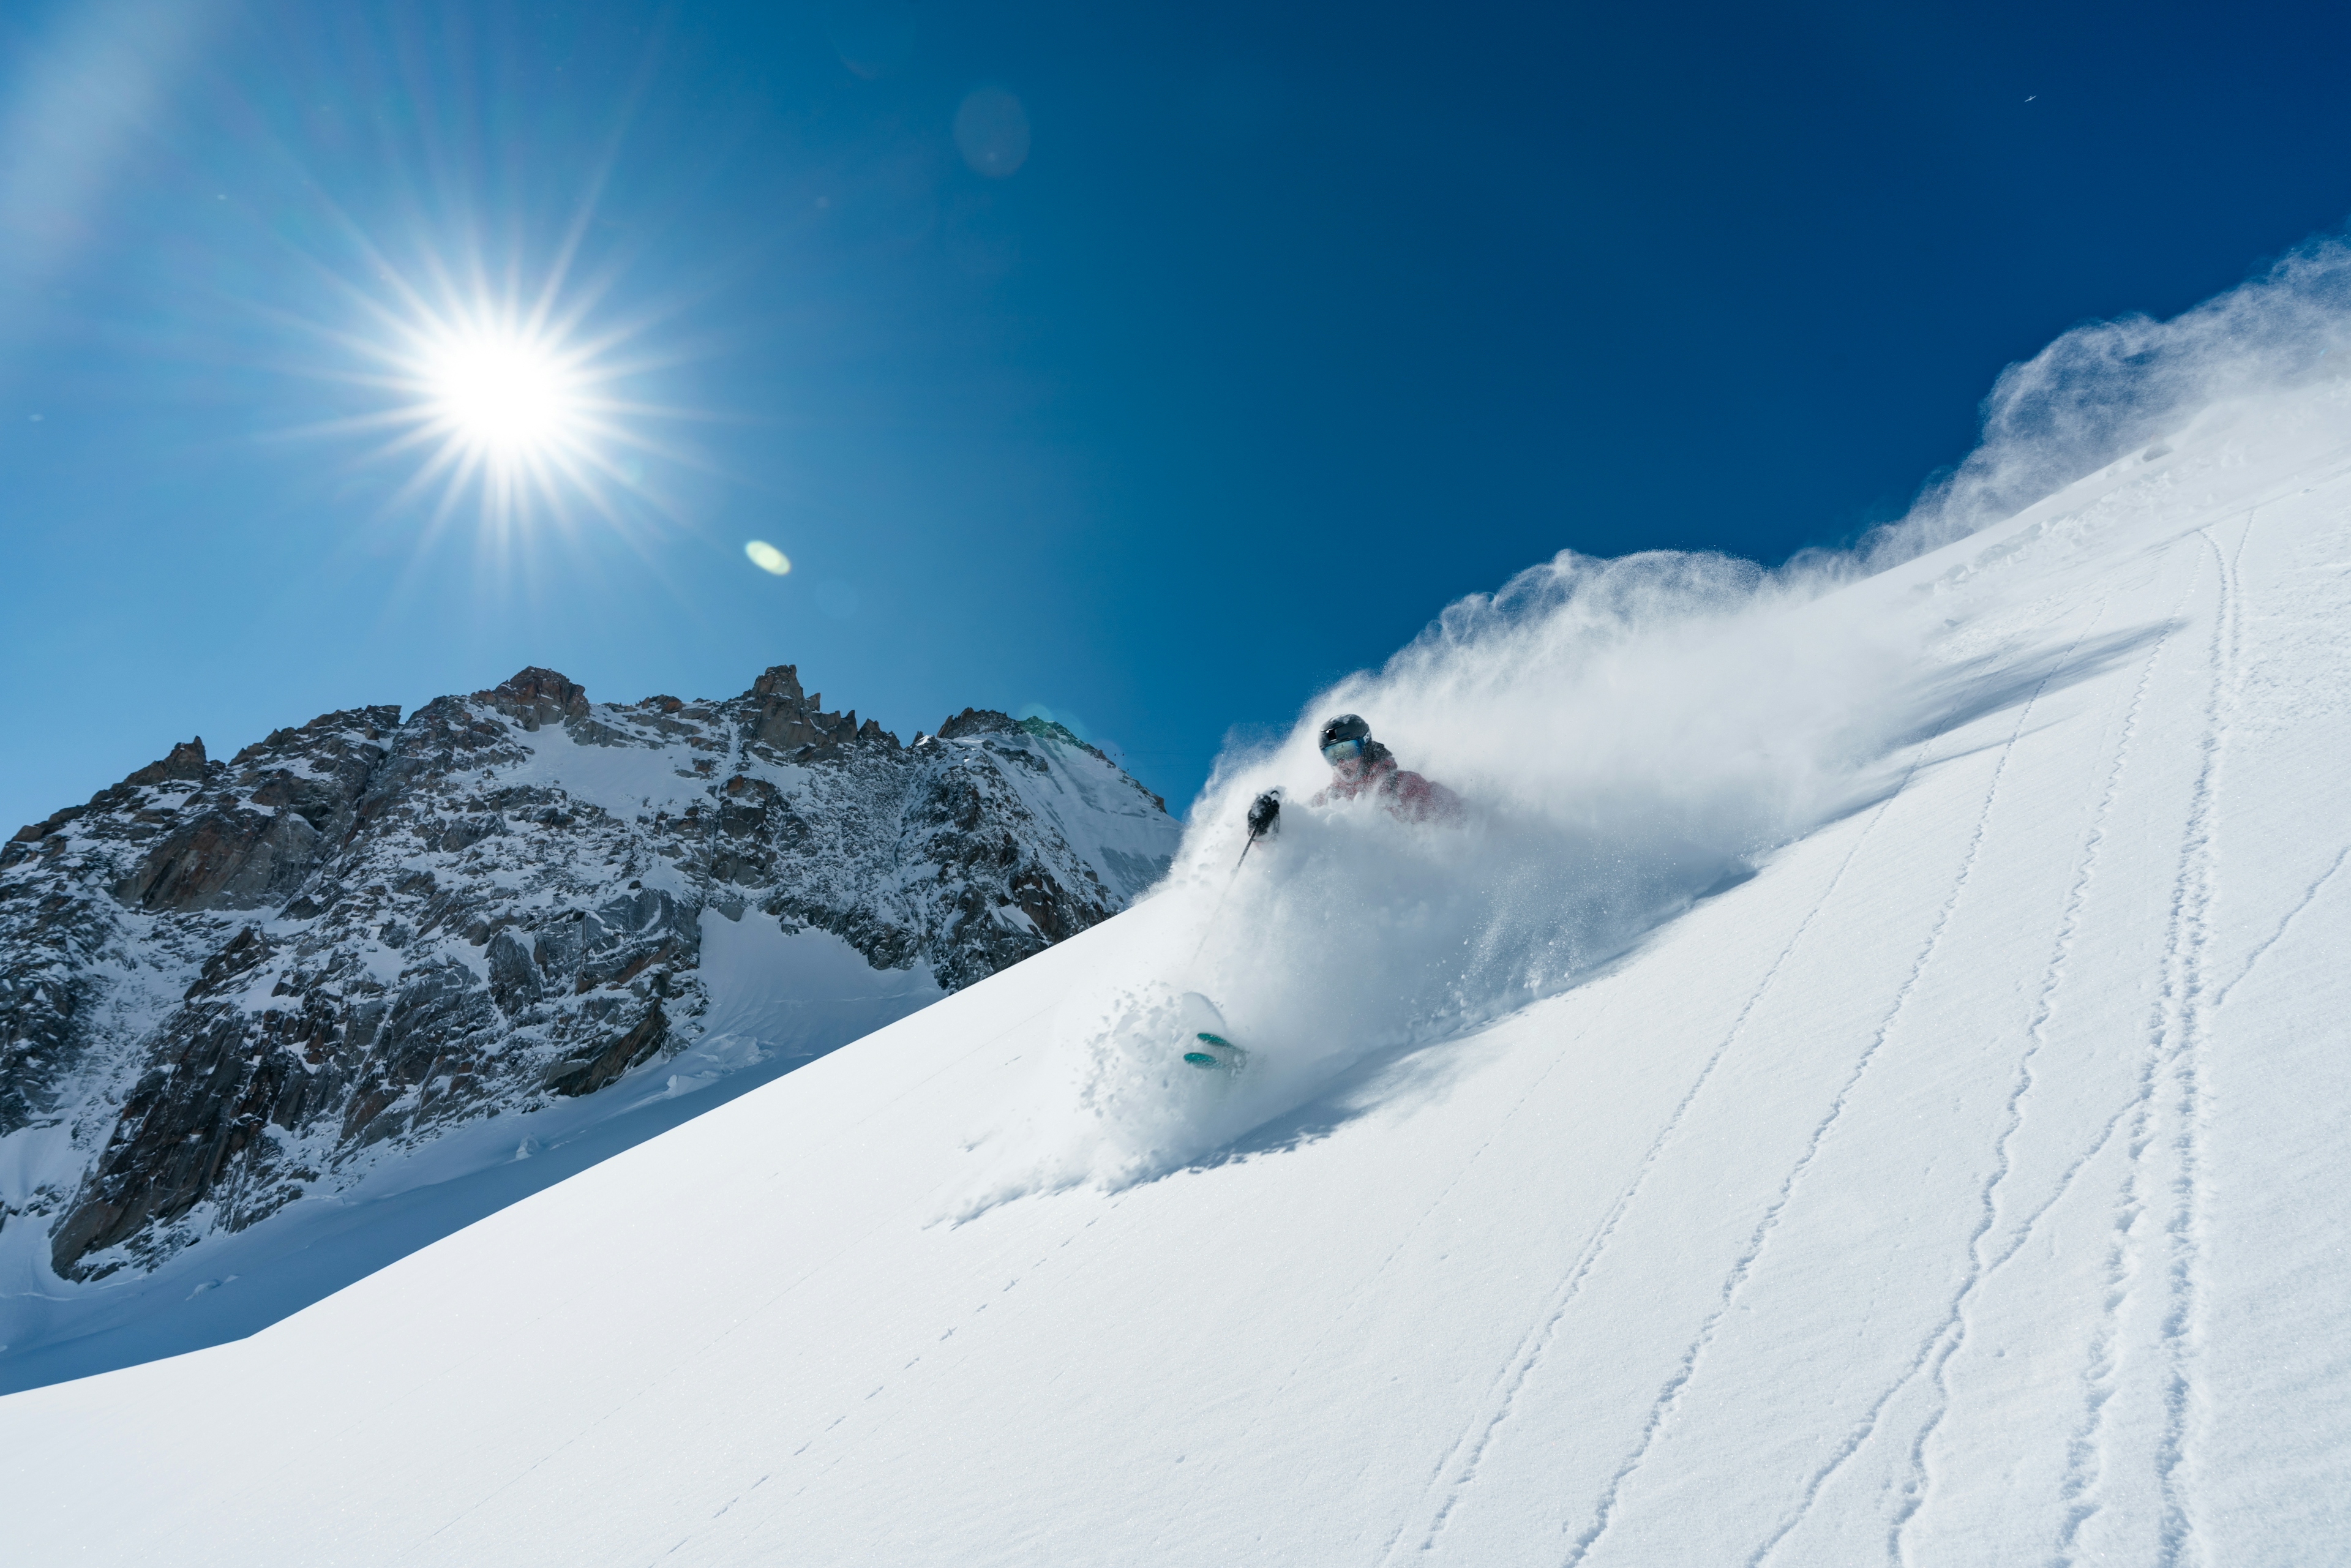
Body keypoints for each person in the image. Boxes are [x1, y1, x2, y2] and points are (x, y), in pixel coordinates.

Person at [1247, 714, 1461, 842]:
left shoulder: (1403, 785)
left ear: (1365, 746)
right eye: (1332, 755)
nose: (1341, 763)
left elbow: (1458, 815)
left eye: (1347, 751)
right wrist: (1265, 825)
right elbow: (1295, 840)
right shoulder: (1327, 800)